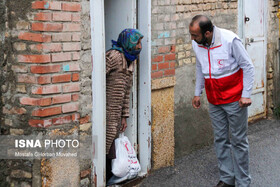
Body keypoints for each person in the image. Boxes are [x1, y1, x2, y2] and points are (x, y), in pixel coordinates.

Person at [189, 15, 254, 187]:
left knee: (239, 141)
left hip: (235, 100)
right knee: (220, 140)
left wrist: (246, 94)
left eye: (195, 35)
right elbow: (199, 66)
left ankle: (243, 182)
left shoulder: (229, 40)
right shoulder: (197, 44)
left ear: (208, 33)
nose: (192, 39)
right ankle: (227, 179)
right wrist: (198, 92)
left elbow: (248, 66)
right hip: (214, 100)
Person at [105, 28, 143, 182]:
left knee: (111, 144)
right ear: (129, 42)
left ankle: (109, 177)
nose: (140, 46)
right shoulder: (113, 56)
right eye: (137, 42)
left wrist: (124, 117)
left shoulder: (130, 60)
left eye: (140, 42)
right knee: (105, 143)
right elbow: (98, 78)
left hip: (116, 113)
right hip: (105, 111)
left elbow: (127, 92)